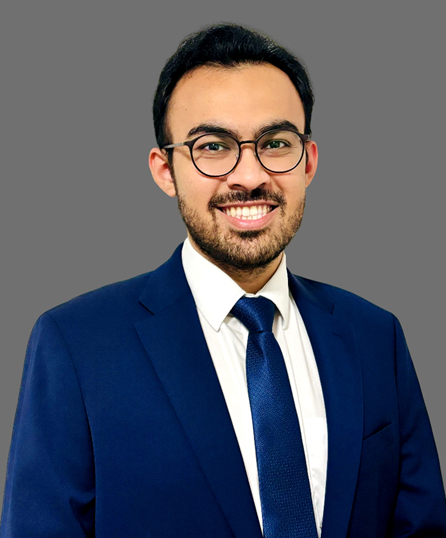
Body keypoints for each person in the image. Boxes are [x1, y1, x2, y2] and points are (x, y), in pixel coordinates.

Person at [1, 23, 445, 538]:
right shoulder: (76, 346)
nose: (250, 175)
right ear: (165, 170)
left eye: (276, 143)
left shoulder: (375, 337)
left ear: (309, 162)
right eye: (213, 147)